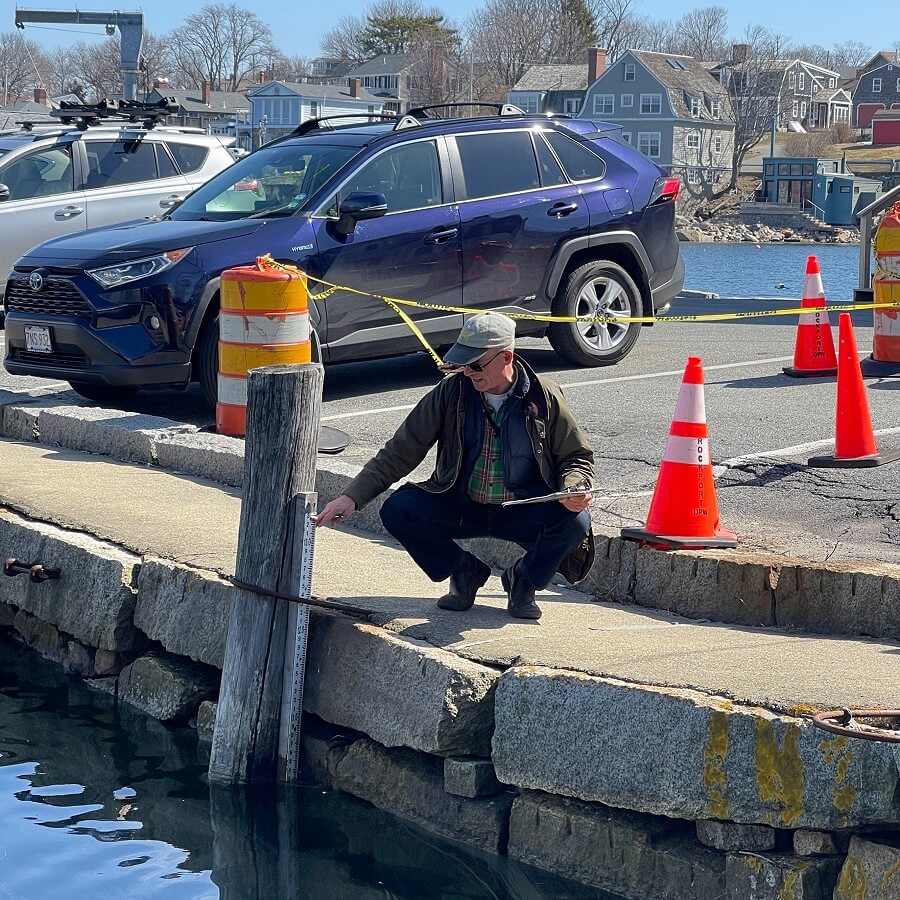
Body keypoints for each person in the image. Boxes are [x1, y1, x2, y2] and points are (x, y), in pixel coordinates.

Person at [315, 313, 595, 620]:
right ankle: (464, 571)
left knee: (577, 521)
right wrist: (352, 497)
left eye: (476, 365)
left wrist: (574, 488)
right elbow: (400, 451)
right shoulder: (451, 392)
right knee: (399, 509)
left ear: (506, 357)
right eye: (464, 363)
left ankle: (523, 580)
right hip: (463, 505)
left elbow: (577, 458)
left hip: (522, 508)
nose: (468, 372)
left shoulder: (545, 395)